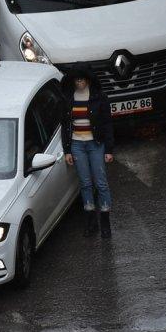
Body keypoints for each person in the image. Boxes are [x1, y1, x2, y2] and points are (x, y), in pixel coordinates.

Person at [61, 66, 115, 238]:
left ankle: (105, 222)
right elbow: (65, 125)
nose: (80, 83)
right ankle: (91, 222)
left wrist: (109, 149)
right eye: (77, 80)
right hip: (77, 145)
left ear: (88, 80)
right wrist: (67, 150)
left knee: (101, 182)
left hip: (96, 144)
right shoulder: (69, 99)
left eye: (82, 80)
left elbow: (107, 124)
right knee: (85, 183)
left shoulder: (99, 97)